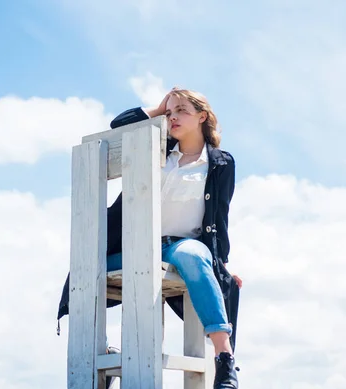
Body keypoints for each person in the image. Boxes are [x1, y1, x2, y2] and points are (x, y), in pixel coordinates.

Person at [57, 87, 242, 389]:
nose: (174, 117)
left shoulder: (220, 163)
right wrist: (158, 110)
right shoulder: (155, 148)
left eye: (182, 110)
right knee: (87, 268)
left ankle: (224, 359)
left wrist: (221, 264)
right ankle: (103, 351)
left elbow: (219, 218)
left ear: (202, 117)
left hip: (183, 245)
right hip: (137, 245)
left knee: (194, 257)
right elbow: (119, 125)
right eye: (170, 112)